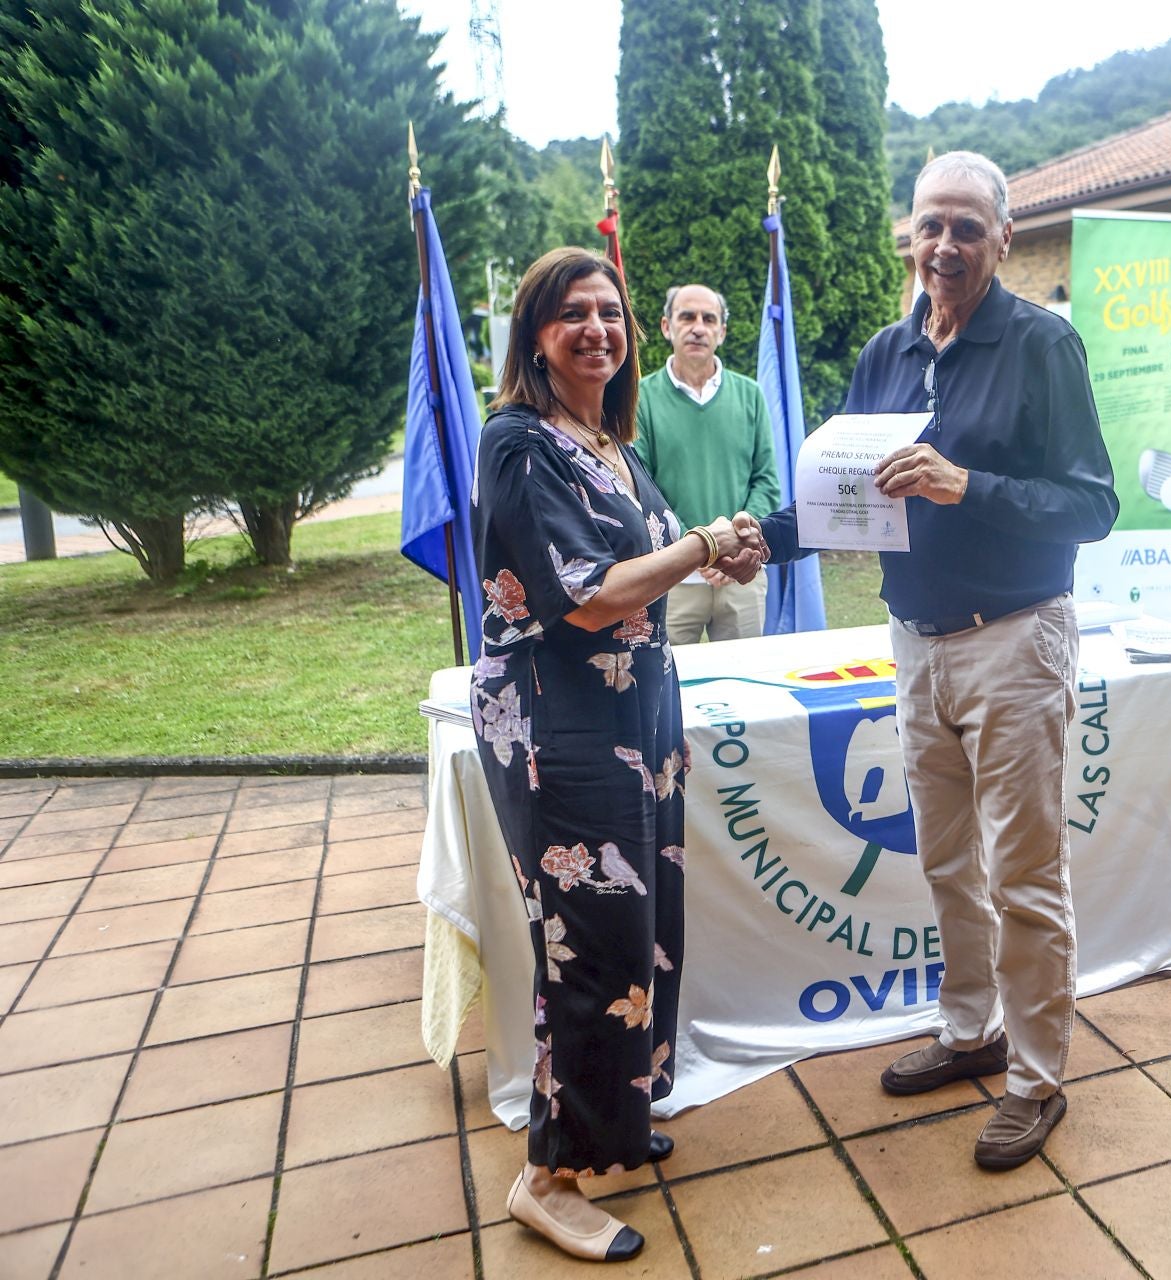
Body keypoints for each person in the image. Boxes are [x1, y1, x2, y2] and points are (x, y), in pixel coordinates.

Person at [744, 151, 1118, 1170]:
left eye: (965, 227)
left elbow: (1094, 506)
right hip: (915, 644)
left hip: (1016, 642)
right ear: (907, 237)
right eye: (929, 227)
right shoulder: (886, 352)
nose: (944, 246)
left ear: (1005, 238)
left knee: (1027, 875)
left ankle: (1037, 1078)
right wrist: (760, 539)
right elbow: (841, 499)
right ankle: (970, 1030)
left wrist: (969, 484)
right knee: (948, 860)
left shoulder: (1042, 344)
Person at [469, 247, 759, 1262]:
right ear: (534, 334)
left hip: (632, 721)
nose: (597, 327)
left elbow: (662, 550)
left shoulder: (608, 440)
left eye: (609, 311)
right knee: (586, 942)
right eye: (571, 314)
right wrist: (705, 547)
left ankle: (614, 1121)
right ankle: (546, 1176)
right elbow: (587, 593)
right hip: (558, 727)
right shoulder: (516, 444)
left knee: (639, 929)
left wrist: (724, 544)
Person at [635, 283, 782, 644]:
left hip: (741, 574)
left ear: (722, 332)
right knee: (671, 689)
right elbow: (640, 487)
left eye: (708, 318)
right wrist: (701, 550)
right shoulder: (641, 399)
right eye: (687, 317)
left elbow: (766, 481)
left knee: (745, 688)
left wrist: (738, 545)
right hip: (671, 577)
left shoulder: (751, 395)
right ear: (667, 327)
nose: (698, 327)